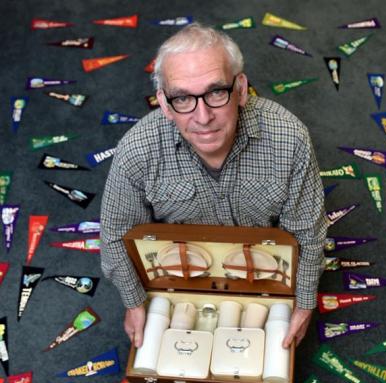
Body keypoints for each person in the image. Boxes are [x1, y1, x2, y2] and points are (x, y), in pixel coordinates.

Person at [100, 23, 327, 350]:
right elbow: (115, 233)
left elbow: (308, 232)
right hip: (179, 272)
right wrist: (135, 304)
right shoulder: (136, 150)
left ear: (241, 89)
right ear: (163, 103)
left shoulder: (289, 139)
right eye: (182, 99)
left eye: (216, 92)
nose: (203, 116)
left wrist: (304, 306)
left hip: (265, 273)